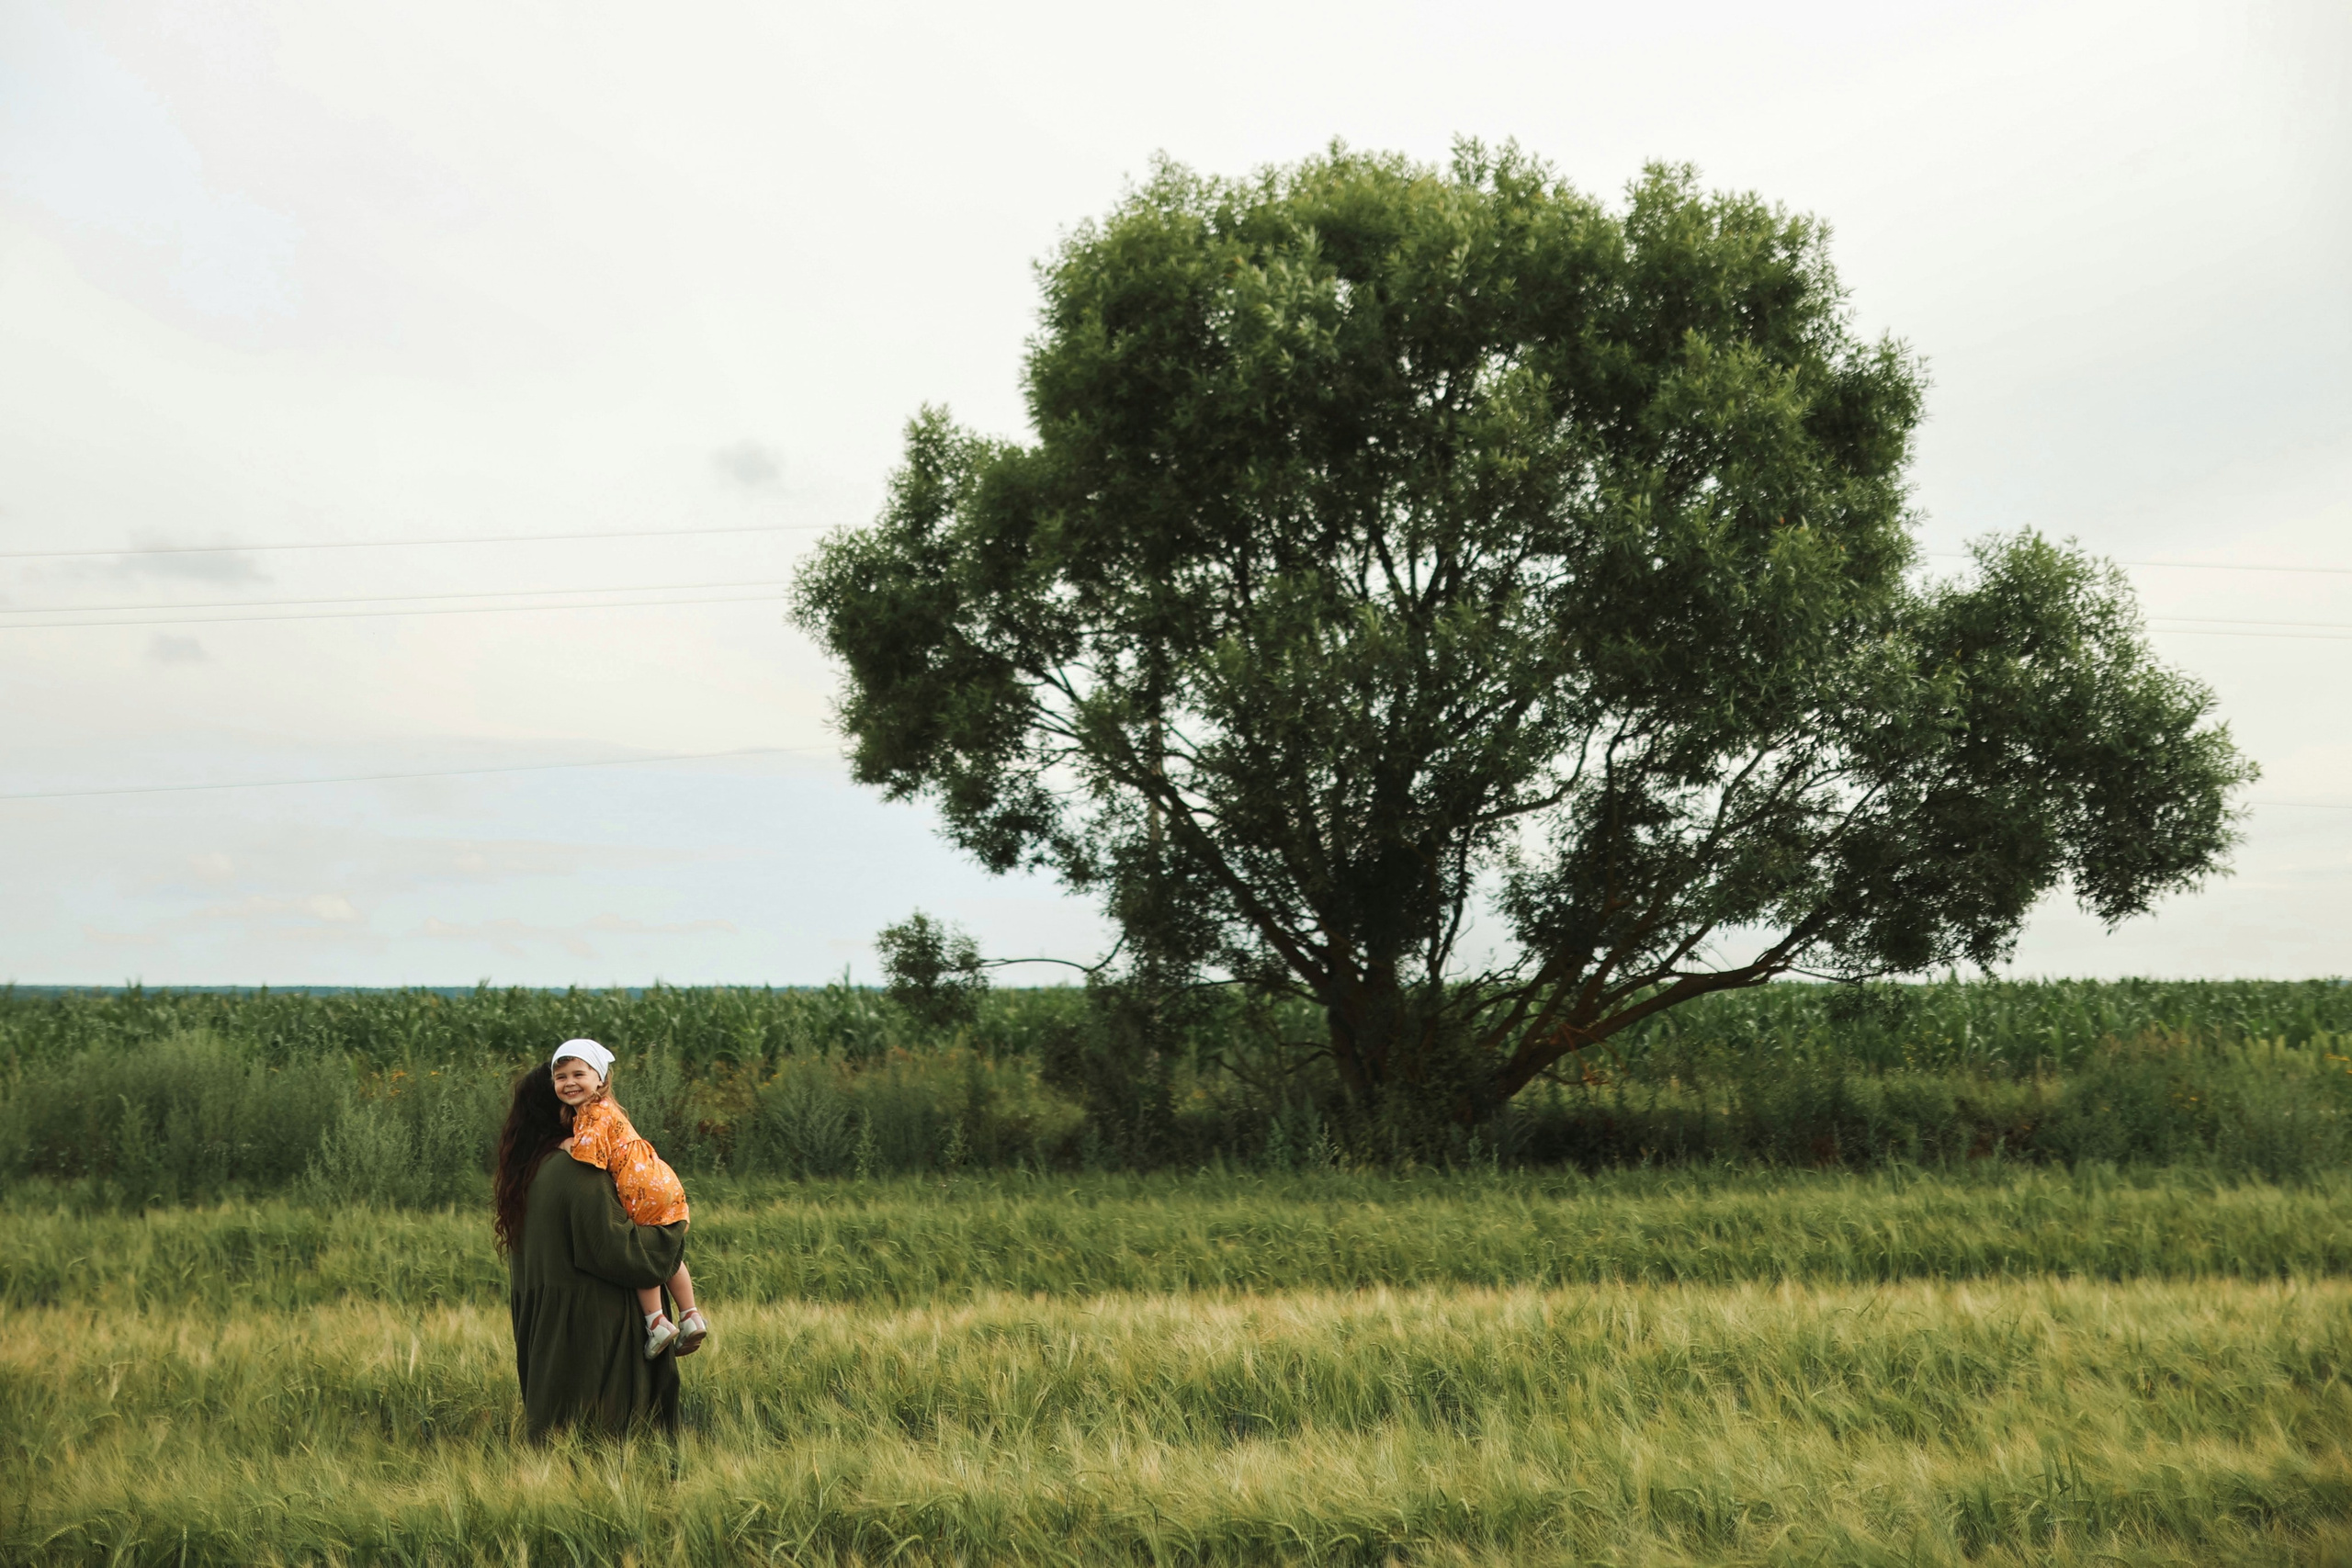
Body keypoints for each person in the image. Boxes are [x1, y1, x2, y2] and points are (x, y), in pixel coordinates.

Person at [493, 1060, 692, 1440]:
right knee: (605, 1439)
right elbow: (616, 1249)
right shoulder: (577, 1171)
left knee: (557, 1437)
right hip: (592, 1329)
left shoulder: (527, 1173)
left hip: (544, 1330)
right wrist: (669, 1234)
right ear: (556, 1110)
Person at [548, 1037, 709, 1358]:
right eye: (560, 1077)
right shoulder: (607, 1109)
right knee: (667, 1249)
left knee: (639, 1253)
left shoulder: (592, 1113)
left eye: (579, 1074)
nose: (569, 1083)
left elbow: (588, 1157)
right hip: (661, 1180)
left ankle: (656, 1321)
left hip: (638, 1187)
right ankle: (690, 1315)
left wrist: (563, 1145)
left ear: (601, 1079)